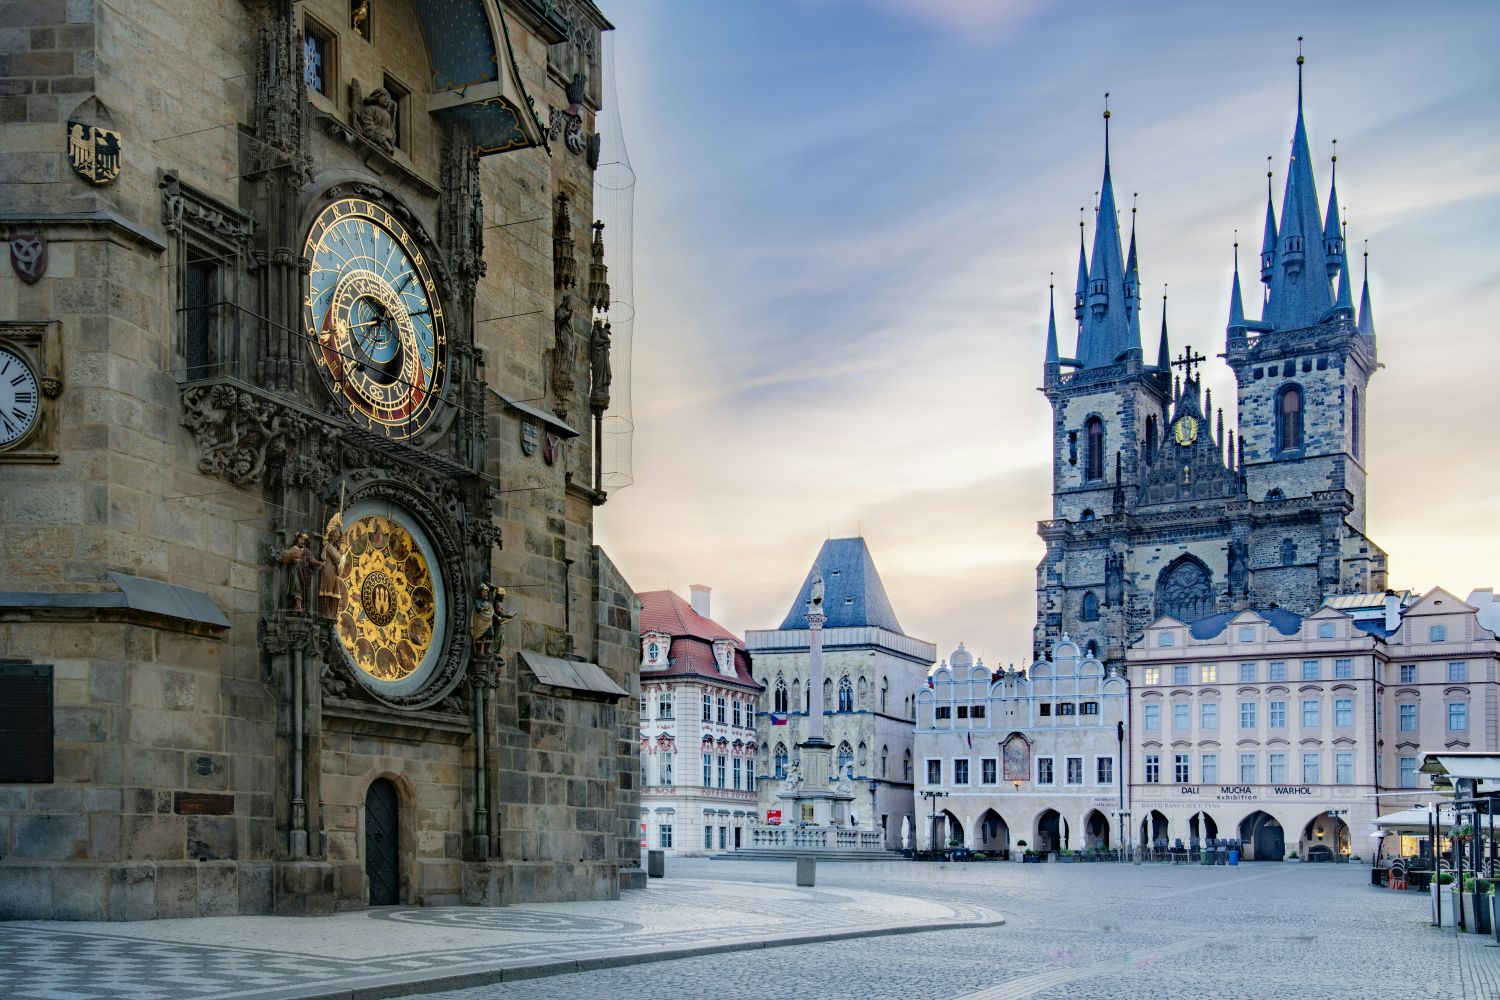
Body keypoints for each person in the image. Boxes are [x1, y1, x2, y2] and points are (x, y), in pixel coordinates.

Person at [282, 531, 321, 612]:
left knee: (302, 589)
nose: (302, 541)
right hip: (295, 571)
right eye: (301, 539)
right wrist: (292, 558)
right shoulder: (293, 549)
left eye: (303, 540)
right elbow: (285, 560)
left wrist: (320, 563)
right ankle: (298, 607)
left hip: (303, 573)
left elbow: (312, 560)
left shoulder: (306, 551)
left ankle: (298, 606)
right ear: (297, 540)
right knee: (297, 587)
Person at [317, 513, 347, 619]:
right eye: (334, 536)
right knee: (327, 592)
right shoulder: (329, 546)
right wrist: (342, 558)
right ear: (330, 535)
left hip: (334, 572)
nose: (336, 538)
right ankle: (325, 613)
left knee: (335, 594)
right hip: (328, 570)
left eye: (337, 537)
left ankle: (332, 613)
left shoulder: (334, 547)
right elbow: (337, 559)